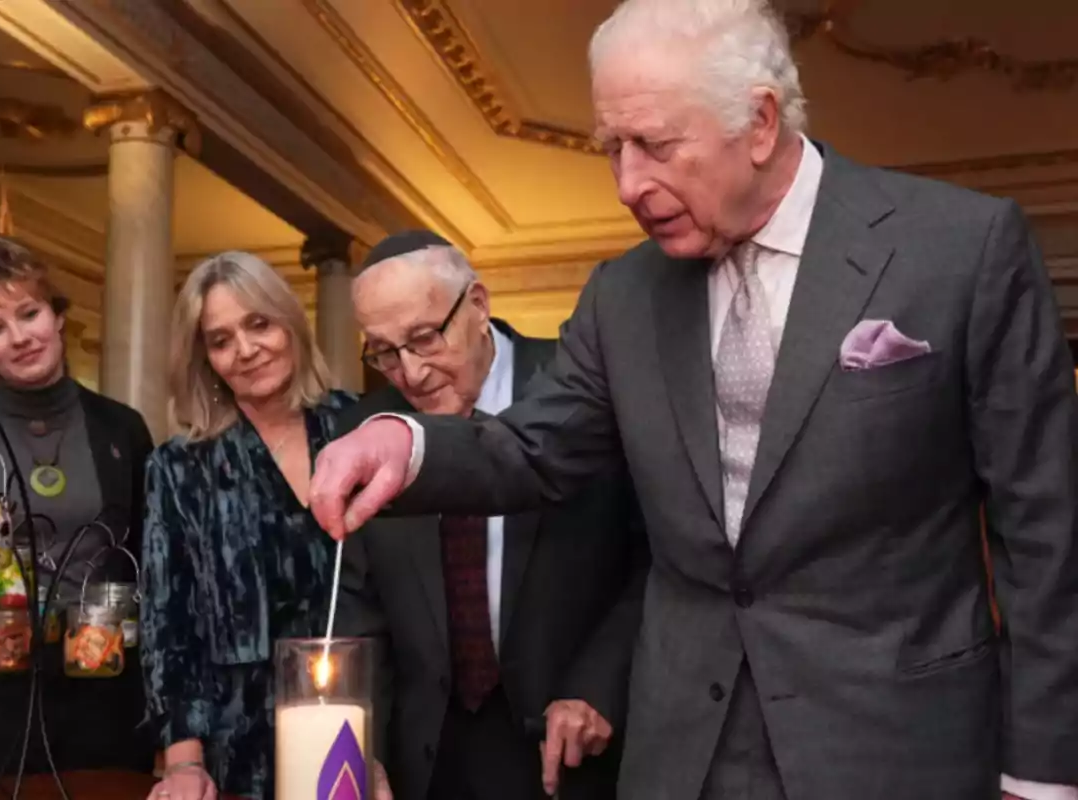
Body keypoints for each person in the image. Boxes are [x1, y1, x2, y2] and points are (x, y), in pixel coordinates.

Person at [306, 1, 1078, 799]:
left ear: (759, 121)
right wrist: (408, 443)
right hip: (683, 756)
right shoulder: (621, 295)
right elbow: (530, 448)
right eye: (612, 149)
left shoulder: (960, 249)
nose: (627, 185)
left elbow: (1048, 532)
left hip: (894, 747)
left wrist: (1044, 772)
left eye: (656, 146)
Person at [337, 232, 649, 800]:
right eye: (383, 351)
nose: (409, 372)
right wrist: (360, 748)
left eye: (425, 338)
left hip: (571, 749)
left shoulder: (582, 391)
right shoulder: (370, 430)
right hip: (428, 760)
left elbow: (653, 560)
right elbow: (360, 613)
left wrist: (598, 686)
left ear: (477, 305)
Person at [0, 242, 156, 784]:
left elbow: (145, 554)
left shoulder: (122, 430)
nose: (19, 337)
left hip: (102, 687)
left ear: (58, 316)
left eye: (29, 313)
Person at [140, 251, 354, 800]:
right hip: (237, 751)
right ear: (205, 358)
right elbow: (168, 626)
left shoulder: (359, 428)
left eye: (259, 323)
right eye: (220, 339)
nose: (246, 349)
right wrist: (183, 763)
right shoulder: (181, 466)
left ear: (289, 322)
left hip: (360, 727)